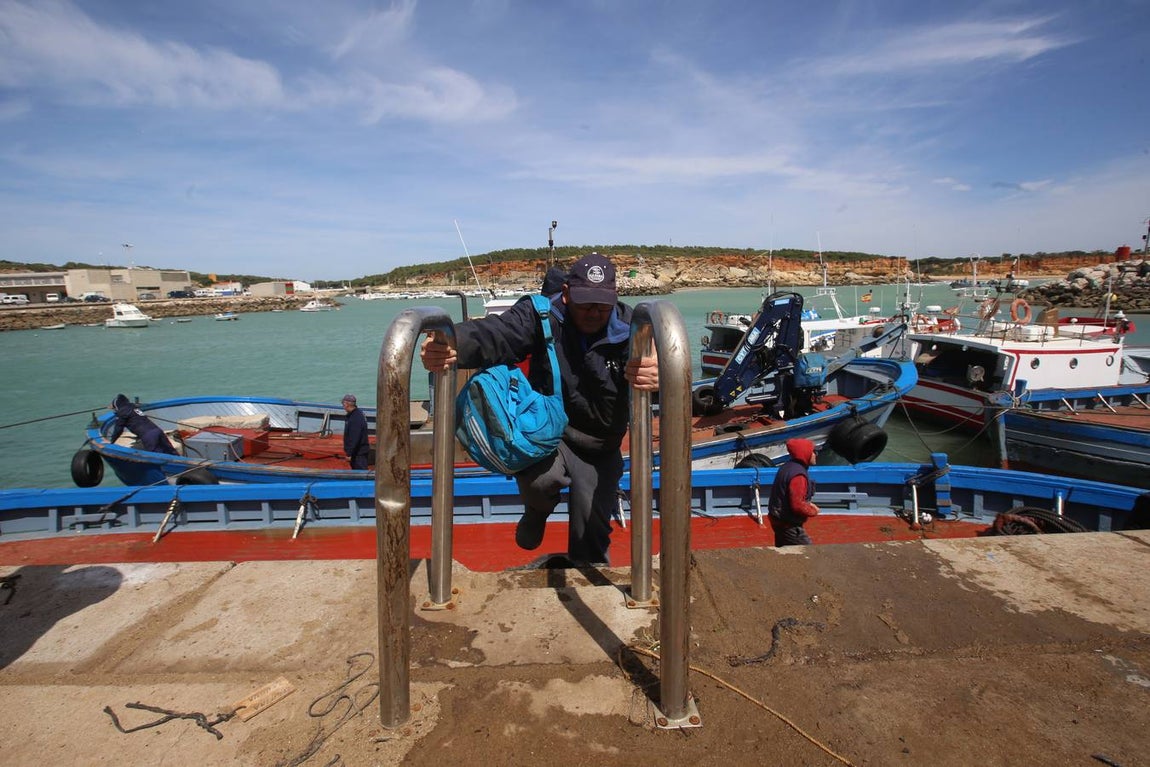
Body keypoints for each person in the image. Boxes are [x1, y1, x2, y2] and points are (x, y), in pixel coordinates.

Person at [419, 252, 659, 565]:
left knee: (591, 530)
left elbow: (667, 362)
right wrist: (451, 343)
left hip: (601, 445)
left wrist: (659, 372)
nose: (593, 312)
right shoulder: (543, 316)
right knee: (540, 481)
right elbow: (497, 333)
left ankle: (589, 583)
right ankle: (537, 511)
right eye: (585, 302)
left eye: (602, 303)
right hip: (549, 434)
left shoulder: (633, 329)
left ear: (614, 297)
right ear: (568, 293)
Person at [767, 438, 820, 546]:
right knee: (808, 552)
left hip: (777, 518)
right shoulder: (798, 476)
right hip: (787, 524)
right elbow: (797, 505)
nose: (816, 455)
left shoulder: (788, 467)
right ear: (805, 453)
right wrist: (812, 511)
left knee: (784, 548)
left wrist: (808, 504)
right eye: (813, 452)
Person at [107, 394, 178, 455]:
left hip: (148, 436)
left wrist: (112, 442)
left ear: (117, 406)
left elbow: (118, 429)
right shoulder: (133, 408)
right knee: (171, 451)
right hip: (157, 431)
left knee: (159, 456)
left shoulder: (122, 412)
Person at [341, 394, 371, 470]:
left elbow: (355, 437)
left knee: (361, 473)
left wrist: (349, 453)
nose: (342, 406)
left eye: (343, 404)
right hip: (357, 452)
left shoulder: (355, 418)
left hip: (358, 453)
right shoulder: (355, 414)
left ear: (346, 404)